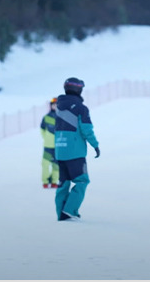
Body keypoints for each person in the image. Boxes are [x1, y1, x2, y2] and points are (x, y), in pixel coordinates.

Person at [54, 77, 100, 221]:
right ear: (78, 89)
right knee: (82, 180)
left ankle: (61, 213)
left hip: (60, 151)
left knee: (63, 183)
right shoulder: (81, 108)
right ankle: (69, 211)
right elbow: (86, 129)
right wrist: (95, 145)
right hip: (75, 152)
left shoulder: (58, 107)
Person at [40, 97, 60, 189]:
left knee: (56, 165)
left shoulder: (61, 117)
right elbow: (42, 129)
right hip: (48, 146)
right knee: (45, 164)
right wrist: (47, 138)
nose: (55, 106)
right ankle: (45, 181)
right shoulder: (46, 117)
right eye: (53, 105)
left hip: (58, 146)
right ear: (51, 106)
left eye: (56, 105)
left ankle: (54, 181)